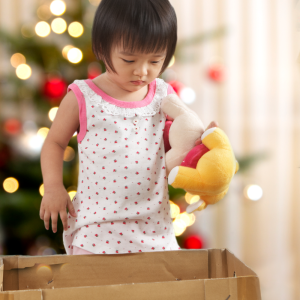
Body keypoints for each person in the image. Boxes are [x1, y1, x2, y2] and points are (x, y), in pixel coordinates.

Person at [39, 0, 217, 255]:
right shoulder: (84, 96)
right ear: (102, 47)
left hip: (155, 230)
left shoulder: (163, 95)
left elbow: (187, 133)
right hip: (96, 232)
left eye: (156, 61)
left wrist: (206, 142)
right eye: (129, 59)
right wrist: (54, 187)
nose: (142, 71)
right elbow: (54, 143)